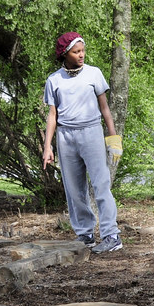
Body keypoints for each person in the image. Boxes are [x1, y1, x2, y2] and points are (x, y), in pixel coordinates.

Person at [41, 32, 123, 253]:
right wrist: (48, 146)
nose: (81, 55)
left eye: (82, 51)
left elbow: (105, 108)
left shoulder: (94, 74)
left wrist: (113, 137)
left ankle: (111, 235)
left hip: (91, 131)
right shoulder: (54, 80)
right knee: (74, 189)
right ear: (64, 53)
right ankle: (85, 234)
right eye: (76, 52)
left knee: (101, 184)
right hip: (66, 136)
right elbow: (52, 116)